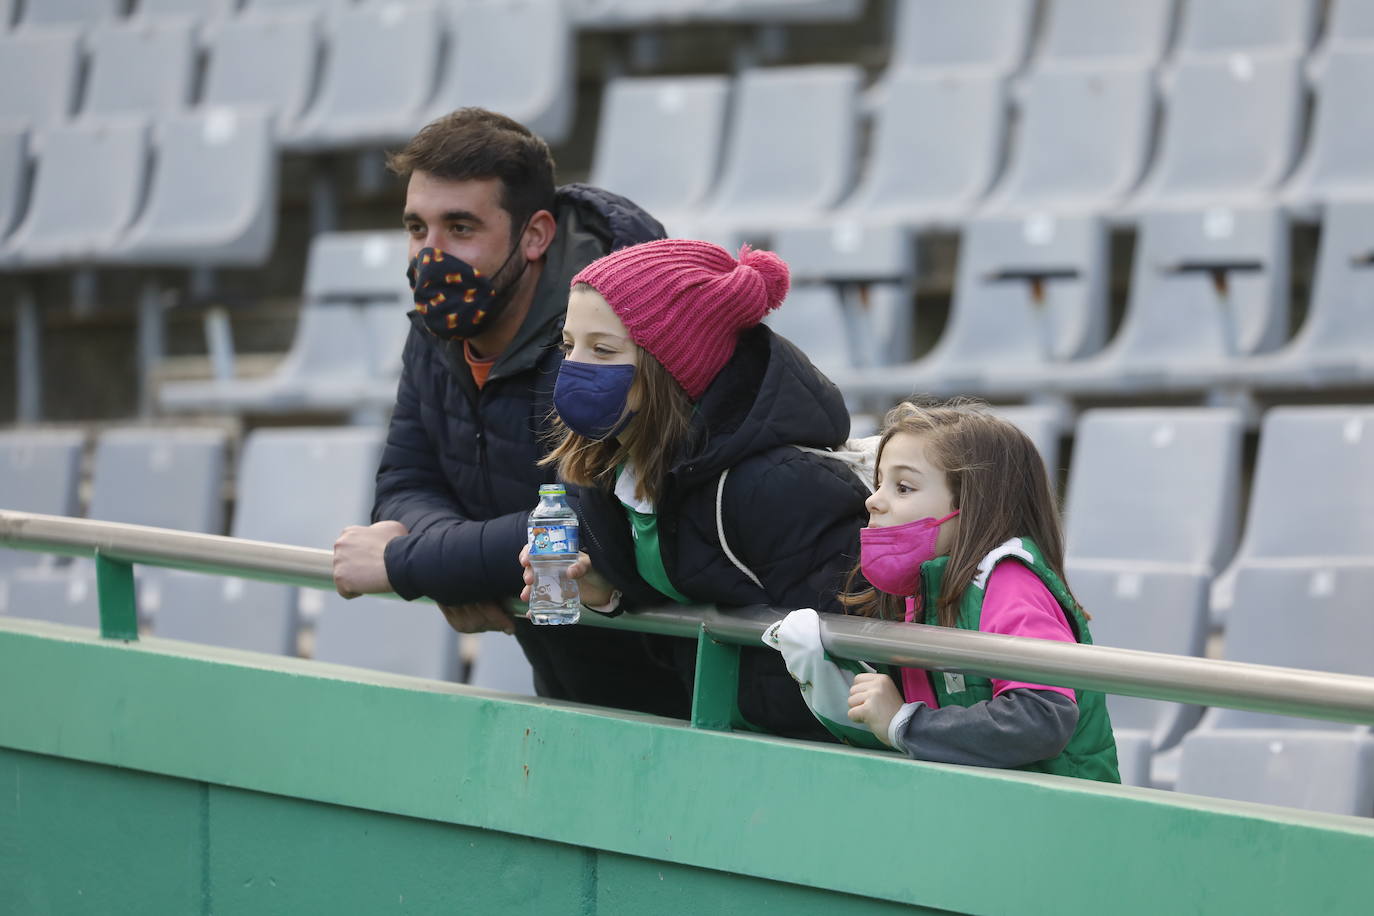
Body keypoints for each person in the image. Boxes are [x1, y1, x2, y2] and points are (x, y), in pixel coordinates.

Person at [331, 108, 690, 718]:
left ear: (535, 235)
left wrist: (407, 563)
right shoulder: (434, 332)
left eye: (461, 228)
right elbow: (405, 482)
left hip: (690, 692)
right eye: (417, 228)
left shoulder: (606, 338)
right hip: (572, 688)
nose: (430, 256)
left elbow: (588, 522)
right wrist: (457, 568)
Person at [521, 239, 872, 740]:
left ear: (672, 365)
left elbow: (849, 648)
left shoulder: (776, 486)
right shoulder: (613, 467)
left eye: (602, 349)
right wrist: (604, 592)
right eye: (568, 344)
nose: (574, 365)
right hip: (720, 737)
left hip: (803, 750)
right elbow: (688, 580)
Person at [769, 400, 1119, 780]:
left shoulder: (1007, 581)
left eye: (903, 487)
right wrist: (828, 680)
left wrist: (905, 723)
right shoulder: (918, 590)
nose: (873, 500)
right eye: (879, 482)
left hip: (1060, 820)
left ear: (974, 504)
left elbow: (1041, 716)